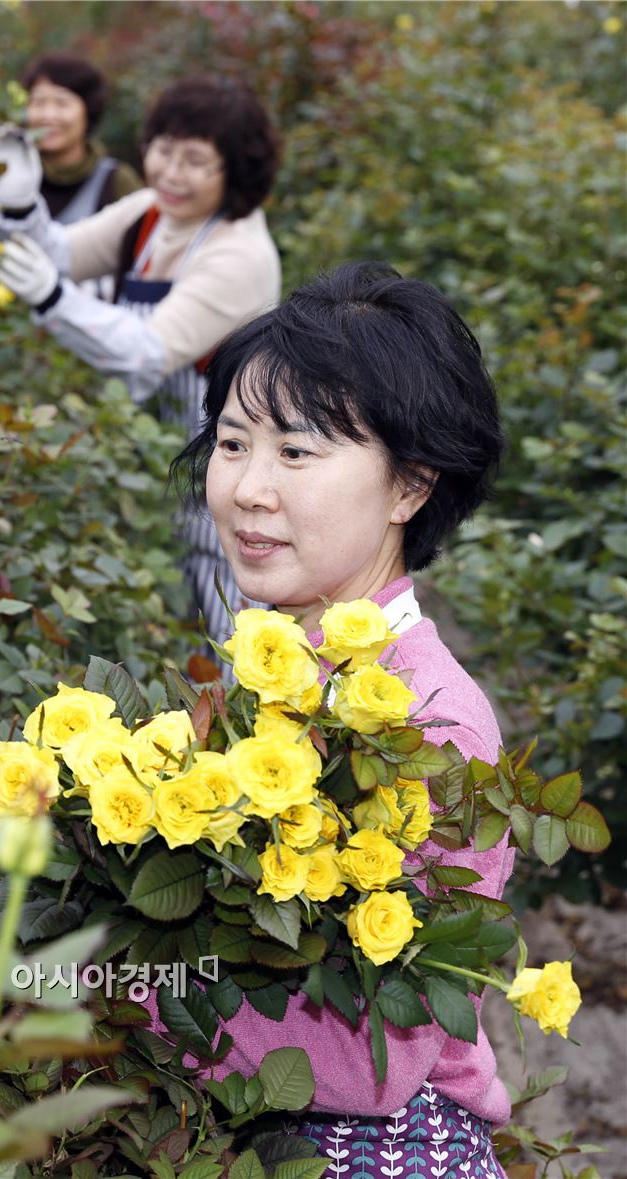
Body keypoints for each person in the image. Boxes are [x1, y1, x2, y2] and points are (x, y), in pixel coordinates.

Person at [167, 261, 513, 1175]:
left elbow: (372, 1061)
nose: (246, 488)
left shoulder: (435, 728)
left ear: (410, 485)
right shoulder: (281, 666)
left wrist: (117, 985)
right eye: (233, 442)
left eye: (297, 451)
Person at [0, 76, 282, 644]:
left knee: (224, 605)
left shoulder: (239, 251)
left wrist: (53, 298)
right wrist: (21, 202)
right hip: (144, 451)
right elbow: (61, 253)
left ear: (236, 170)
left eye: (195, 160)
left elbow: (147, 351)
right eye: (163, 150)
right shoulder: (151, 215)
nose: (171, 173)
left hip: (214, 455)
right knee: (156, 611)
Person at [21, 53, 141, 224]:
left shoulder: (115, 183)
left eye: (62, 103)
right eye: (38, 102)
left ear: (89, 110)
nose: (48, 115)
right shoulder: (7, 173)